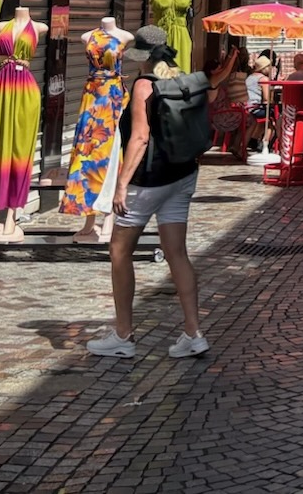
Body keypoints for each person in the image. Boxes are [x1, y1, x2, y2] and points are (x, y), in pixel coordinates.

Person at [87, 27, 209, 360]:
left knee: (119, 251)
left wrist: (121, 185)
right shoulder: (179, 77)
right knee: (177, 253)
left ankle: (123, 335)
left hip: (149, 181)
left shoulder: (144, 86)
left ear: (142, 56)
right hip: (182, 174)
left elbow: (140, 138)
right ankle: (193, 333)